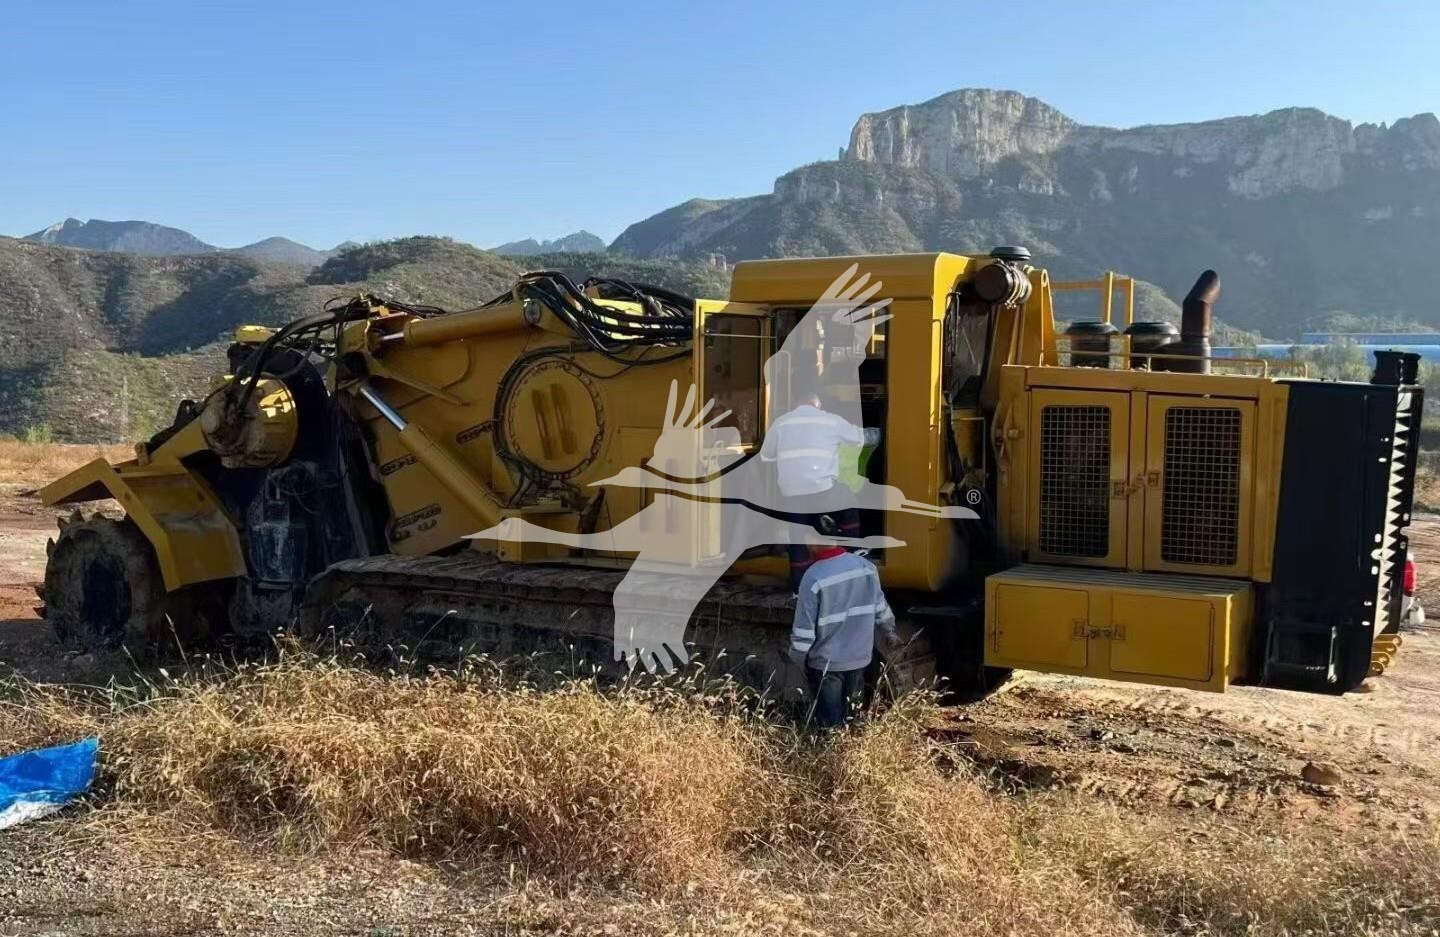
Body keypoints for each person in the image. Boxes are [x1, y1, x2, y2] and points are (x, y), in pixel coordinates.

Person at [789, 519, 898, 729]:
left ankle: (829, 748)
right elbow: (881, 610)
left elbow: (804, 633)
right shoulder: (866, 567)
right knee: (852, 721)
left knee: (829, 725)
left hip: (827, 665)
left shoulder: (812, 577)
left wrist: (798, 661)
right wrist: (890, 632)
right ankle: (850, 749)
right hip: (860, 659)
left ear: (812, 541)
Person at [759, 387, 866, 589]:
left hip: (792, 492)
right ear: (818, 405)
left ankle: (798, 586)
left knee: (798, 534)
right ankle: (852, 549)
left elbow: (765, 456)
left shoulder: (781, 422)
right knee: (849, 502)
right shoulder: (830, 420)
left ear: (797, 405)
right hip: (822, 488)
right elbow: (859, 438)